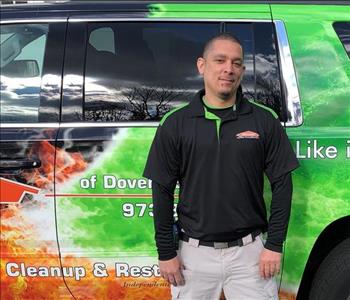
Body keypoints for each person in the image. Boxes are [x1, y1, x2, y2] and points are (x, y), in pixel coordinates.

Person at [143, 33, 299, 300]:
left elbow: (283, 185)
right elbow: (162, 191)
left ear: (243, 71)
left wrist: (274, 245)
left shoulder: (264, 120)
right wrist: (166, 252)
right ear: (202, 65)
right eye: (220, 60)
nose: (229, 69)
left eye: (237, 63)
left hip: (250, 255)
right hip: (193, 256)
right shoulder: (175, 123)